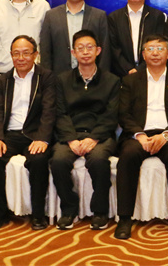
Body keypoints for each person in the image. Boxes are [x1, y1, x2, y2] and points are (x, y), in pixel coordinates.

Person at [114, 34, 168, 240]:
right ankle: (124, 218)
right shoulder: (130, 80)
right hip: (139, 134)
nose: (155, 53)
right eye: (150, 49)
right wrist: (139, 135)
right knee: (128, 155)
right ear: (143, 55)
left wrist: (166, 135)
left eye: (160, 49)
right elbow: (123, 114)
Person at [0, 36, 56, 231]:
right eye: (16, 53)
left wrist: (42, 139)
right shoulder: (2, 80)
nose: (21, 58)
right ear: (11, 55)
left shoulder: (46, 77)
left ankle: (38, 214)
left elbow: (49, 111)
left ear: (35, 55)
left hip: (34, 134)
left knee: (39, 159)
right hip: (10, 134)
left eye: (26, 53)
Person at [51, 30, 120, 231]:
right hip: (71, 134)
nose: (85, 52)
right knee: (58, 161)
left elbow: (111, 115)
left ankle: (100, 212)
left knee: (98, 160)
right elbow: (60, 113)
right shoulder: (62, 80)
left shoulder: (112, 80)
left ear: (98, 50)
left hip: (100, 135)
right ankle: (69, 210)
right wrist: (71, 139)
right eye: (80, 48)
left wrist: (94, 138)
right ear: (73, 53)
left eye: (90, 47)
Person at [40, 0, 111, 75]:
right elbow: (45, 51)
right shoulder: (51, 16)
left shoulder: (99, 16)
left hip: (91, 76)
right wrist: (47, 77)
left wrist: (102, 78)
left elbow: (105, 52)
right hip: (59, 77)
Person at [108, 0, 167, 76]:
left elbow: (159, 45)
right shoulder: (114, 17)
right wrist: (129, 69)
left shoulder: (157, 16)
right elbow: (114, 49)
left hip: (150, 72)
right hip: (122, 74)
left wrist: (140, 69)